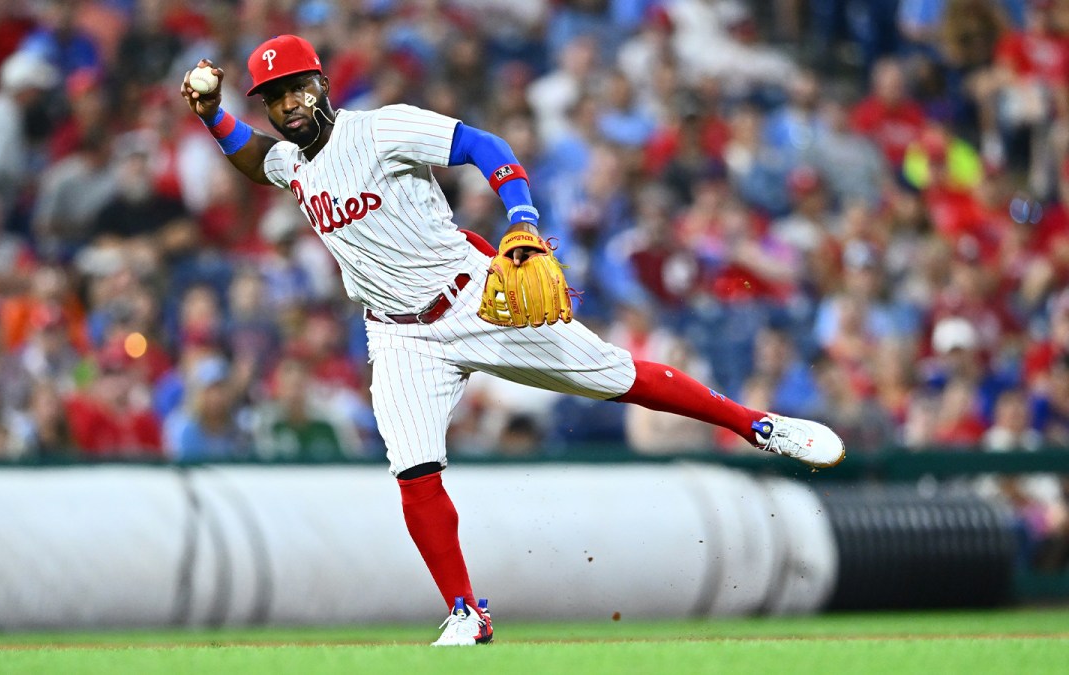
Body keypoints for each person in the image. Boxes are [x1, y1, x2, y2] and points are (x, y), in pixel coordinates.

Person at [180, 35, 846, 647]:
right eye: (274, 96)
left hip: (470, 296)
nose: (289, 103)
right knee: (413, 468)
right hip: (398, 334)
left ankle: (756, 424)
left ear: (322, 83)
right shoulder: (293, 162)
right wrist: (212, 114)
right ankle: (467, 611)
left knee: (613, 374)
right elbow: (255, 160)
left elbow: (484, 145)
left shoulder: (380, 128)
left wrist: (522, 219)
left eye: (298, 87)